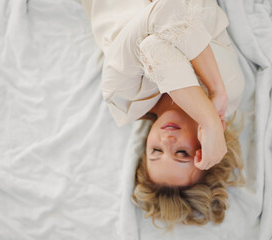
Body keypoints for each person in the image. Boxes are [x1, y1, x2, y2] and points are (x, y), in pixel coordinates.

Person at [81, 0, 245, 228]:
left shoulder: (122, 98)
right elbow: (171, 9)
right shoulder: (231, 89)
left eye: (156, 151)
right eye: (182, 153)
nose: (167, 141)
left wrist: (209, 117)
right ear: (207, 145)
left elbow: (158, 35)